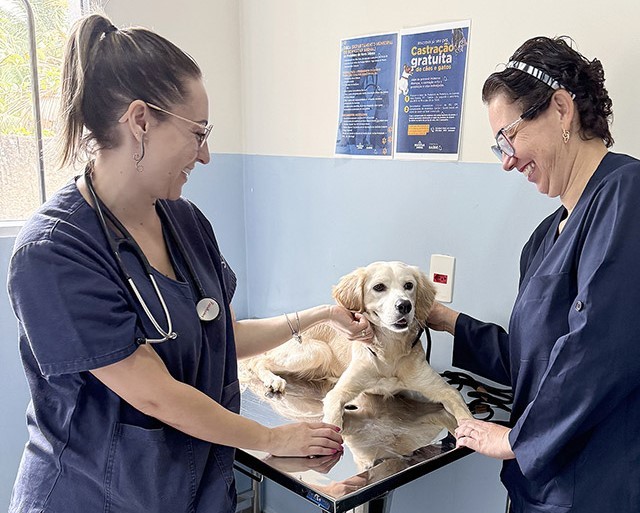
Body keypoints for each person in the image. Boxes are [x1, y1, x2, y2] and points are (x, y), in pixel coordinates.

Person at [6, 14, 373, 513]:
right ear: (140, 121)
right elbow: (155, 394)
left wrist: (319, 317)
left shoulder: (186, 222)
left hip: (191, 492)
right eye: (196, 133)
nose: (205, 155)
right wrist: (271, 437)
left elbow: (219, 337)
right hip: (94, 497)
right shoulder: (54, 252)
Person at [428, 36, 640, 512]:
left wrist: (516, 441)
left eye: (509, 136)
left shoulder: (636, 195)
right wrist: (441, 318)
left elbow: (603, 350)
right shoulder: (543, 239)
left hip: (620, 487)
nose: (507, 160)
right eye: (498, 145)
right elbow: (535, 361)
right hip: (550, 489)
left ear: (561, 109)